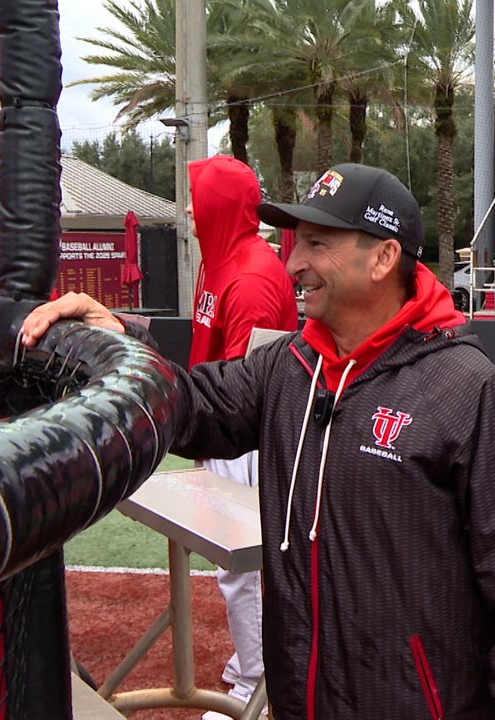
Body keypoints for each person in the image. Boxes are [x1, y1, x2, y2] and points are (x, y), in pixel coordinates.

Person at [22, 163, 495, 719]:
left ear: (384, 258)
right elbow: (190, 405)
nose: (293, 263)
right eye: (296, 243)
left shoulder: (468, 391)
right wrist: (121, 338)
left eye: (318, 243)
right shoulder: (288, 367)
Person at [185, 154, 298, 718]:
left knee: (243, 568)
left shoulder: (251, 274)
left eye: (196, 196)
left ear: (219, 206)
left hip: (249, 437)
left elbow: (242, 390)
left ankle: (255, 686)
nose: (187, 207)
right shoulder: (218, 260)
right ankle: (249, 669)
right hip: (224, 433)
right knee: (237, 569)